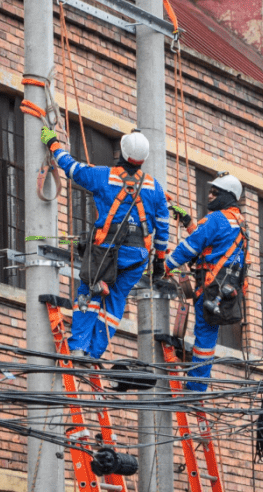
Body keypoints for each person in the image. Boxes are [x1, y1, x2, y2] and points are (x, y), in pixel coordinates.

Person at [41, 126, 170, 360]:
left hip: (106, 252)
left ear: (121, 151)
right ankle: (95, 352)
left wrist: (53, 144)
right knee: (114, 303)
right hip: (138, 256)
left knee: (90, 294)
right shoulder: (155, 188)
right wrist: (160, 261)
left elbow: (71, 168)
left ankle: (79, 346)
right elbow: (162, 228)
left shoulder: (104, 176)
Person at [163, 172, 249, 392]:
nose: (209, 195)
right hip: (224, 290)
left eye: (215, 192)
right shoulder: (238, 223)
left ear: (228, 196)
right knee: (207, 337)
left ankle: (196, 385)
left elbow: (191, 247)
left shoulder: (216, 219)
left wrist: (163, 266)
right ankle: (198, 383)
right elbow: (211, 244)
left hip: (211, 288)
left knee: (204, 336)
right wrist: (189, 222)